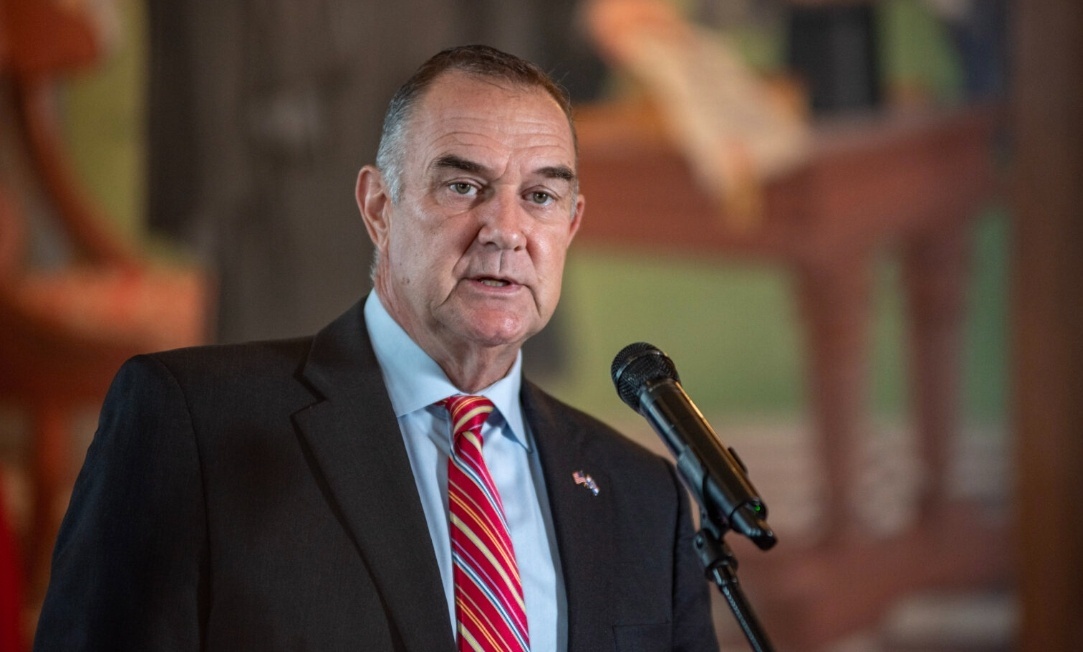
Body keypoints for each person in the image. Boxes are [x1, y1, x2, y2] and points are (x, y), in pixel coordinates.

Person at [34, 45, 718, 651]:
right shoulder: (191, 423)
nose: (505, 230)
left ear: (570, 225)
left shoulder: (641, 496)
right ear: (378, 207)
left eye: (540, 195)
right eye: (463, 186)